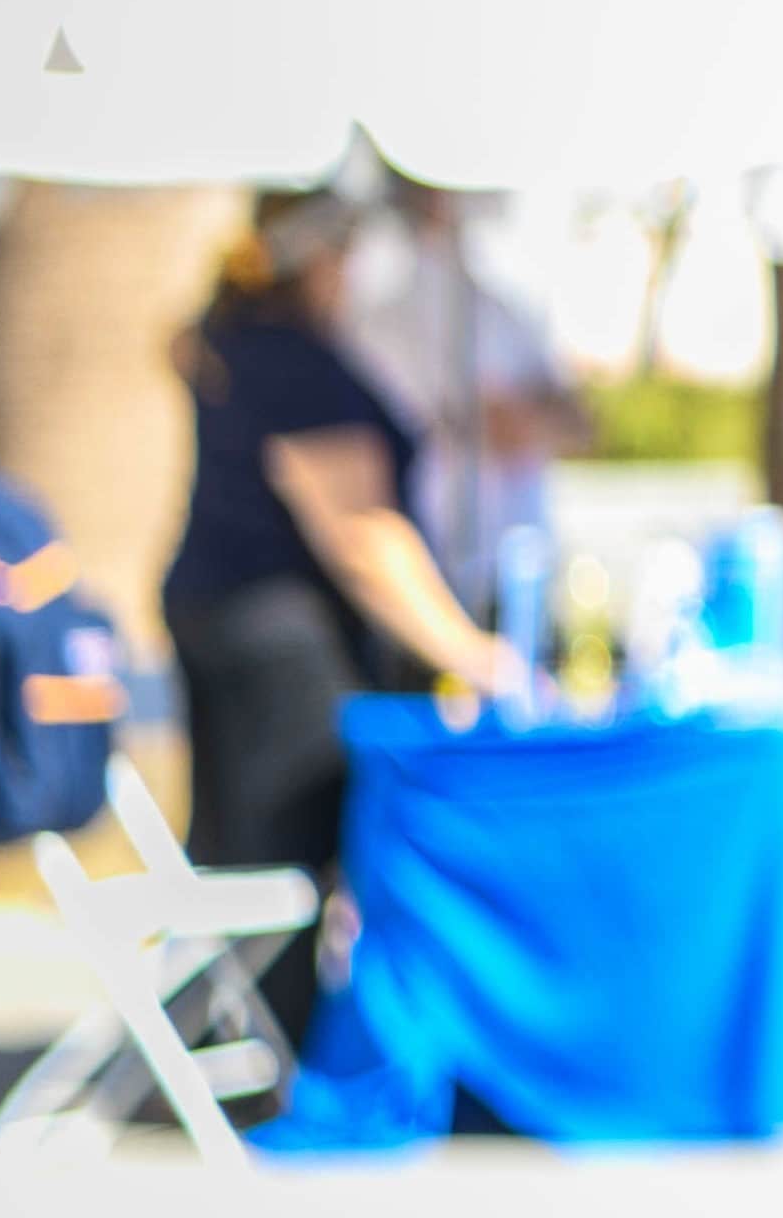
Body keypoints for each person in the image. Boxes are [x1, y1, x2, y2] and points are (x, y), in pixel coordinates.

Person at [164, 200, 540, 891]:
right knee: (286, 879)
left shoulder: (242, 343)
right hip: (282, 647)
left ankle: (249, 1003)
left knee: (240, 876)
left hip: (235, 628)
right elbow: (362, 533)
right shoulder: (290, 355)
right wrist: (470, 653)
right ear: (317, 259)